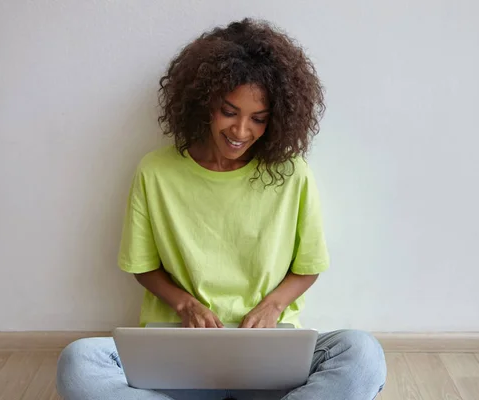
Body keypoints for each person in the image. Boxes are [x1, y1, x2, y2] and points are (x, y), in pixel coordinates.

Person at [56, 18, 386, 400]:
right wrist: (184, 304)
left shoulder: (292, 174)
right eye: (229, 111)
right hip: (180, 352)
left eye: (258, 119)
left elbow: (307, 267)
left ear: (276, 119)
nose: (241, 131)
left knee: (362, 353)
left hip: (268, 353)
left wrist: (273, 307)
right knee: (78, 362)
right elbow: (143, 266)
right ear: (205, 102)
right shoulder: (156, 171)